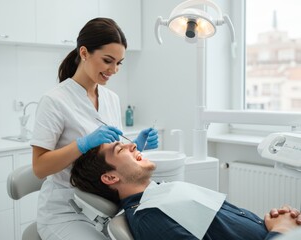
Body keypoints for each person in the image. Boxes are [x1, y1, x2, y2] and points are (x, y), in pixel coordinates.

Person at [30, 18, 159, 240]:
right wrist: (82, 144)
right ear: (84, 52)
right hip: (65, 209)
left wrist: (135, 146)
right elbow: (40, 168)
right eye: (108, 60)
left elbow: (108, 156)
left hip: (104, 206)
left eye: (119, 63)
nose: (114, 70)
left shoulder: (111, 98)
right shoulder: (54, 100)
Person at [70, 142, 301, 240]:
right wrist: (281, 230)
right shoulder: (150, 216)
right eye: (121, 149)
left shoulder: (160, 194)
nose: (133, 145)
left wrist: (277, 224)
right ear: (111, 177)